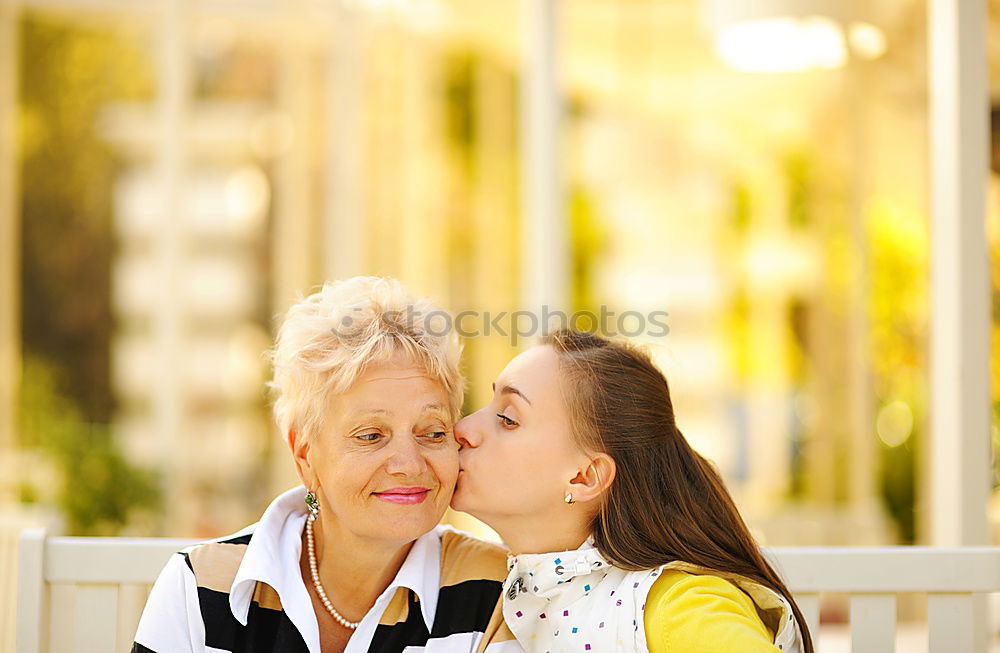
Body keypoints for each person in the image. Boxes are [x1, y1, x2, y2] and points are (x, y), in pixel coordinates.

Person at [132, 276, 522, 653]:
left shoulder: (497, 589)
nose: (409, 464)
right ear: (304, 454)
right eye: (370, 436)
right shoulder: (200, 588)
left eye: (433, 433)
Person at [452, 329, 813, 653]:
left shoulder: (680, 608)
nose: (463, 428)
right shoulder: (504, 583)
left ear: (584, 477)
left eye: (508, 419)